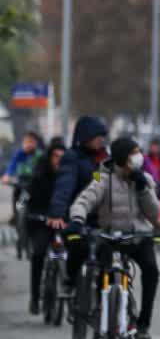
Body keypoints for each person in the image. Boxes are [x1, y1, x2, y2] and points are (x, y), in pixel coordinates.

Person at [68, 137, 160, 339]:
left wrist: (144, 189)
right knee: (104, 275)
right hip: (110, 237)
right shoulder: (103, 178)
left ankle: (143, 325)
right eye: (134, 153)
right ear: (122, 157)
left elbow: (155, 215)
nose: (139, 157)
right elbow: (85, 200)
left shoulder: (145, 179)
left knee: (151, 271)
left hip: (138, 238)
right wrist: (77, 218)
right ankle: (102, 316)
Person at [48, 116, 109, 294]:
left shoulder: (101, 158)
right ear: (85, 135)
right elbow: (64, 187)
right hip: (76, 217)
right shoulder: (72, 158)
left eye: (103, 136)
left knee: (106, 251)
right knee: (78, 247)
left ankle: (102, 295)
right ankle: (71, 281)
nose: (101, 139)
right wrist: (57, 213)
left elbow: (101, 184)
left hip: (99, 218)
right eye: (97, 135)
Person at [22, 137, 66, 314]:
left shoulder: (69, 173)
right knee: (38, 253)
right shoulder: (40, 171)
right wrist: (38, 215)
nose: (58, 160)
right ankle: (34, 297)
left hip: (63, 221)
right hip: (41, 220)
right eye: (55, 156)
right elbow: (32, 194)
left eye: (62, 157)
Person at [4, 130, 42, 221]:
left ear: (36, 143)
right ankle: (16, 214)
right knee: (16, 194)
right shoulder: (19, 153)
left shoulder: (40, 155)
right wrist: (7, 175)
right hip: (22, 180)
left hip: (35, 182)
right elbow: (12, 165)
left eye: (31, 142)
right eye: (26, 142)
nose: (28, 144)